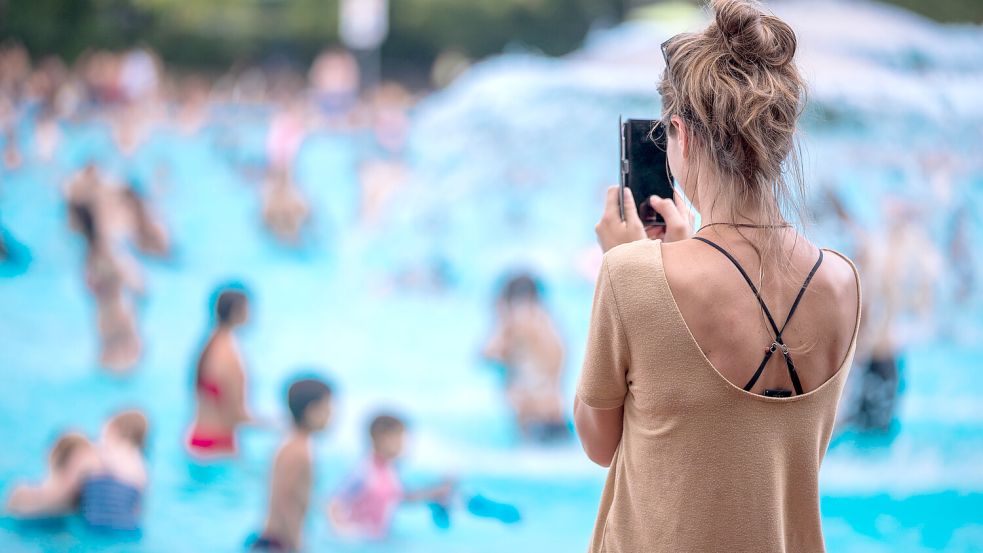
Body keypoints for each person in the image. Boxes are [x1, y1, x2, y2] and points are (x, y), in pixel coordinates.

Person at [574, 1, 862, 552]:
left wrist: (635, 263)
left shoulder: (630, 273)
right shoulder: (842, 282)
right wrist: (674, 256)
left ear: (678, 134)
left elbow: (597, 440)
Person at [328, 414, 518, 541]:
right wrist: (344, 532)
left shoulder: (389, 471)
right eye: (399, 440)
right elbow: (334, 502)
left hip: (378, 539)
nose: (403, 446)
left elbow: (401, 498)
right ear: (380, 439)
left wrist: (438, 490)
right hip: (360, 541)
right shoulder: (363, 470)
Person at [6, 410, 149, 533]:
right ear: (56, 464)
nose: (85, 483)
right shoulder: (22, 494)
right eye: (83, 474)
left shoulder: (75, 508)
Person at [482, 274, 568, 442]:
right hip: (556, 419)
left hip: (533, 420)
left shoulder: (517, 319)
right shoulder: (550, 326)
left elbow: (487, 353)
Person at [252, 377, 334, 551]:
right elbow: (285, 501)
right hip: (278, 542)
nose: (331, 417)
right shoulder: (299, 451)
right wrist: (297, 546)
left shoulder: (293, 443)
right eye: (328, 409)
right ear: (312, 412)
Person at [74, 203, 143, 371]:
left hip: (108, 312)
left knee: (110, 363)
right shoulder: (99, 250)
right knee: (124, 366)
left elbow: (91, 284)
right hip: (115, 310)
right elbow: (133, 280)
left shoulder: (95, 252)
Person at [187, 287, 253, 457]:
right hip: (218, 445)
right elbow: (236, 415)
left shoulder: (209, 345)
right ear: (237, 313)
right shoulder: (230, 356)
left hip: (196, 439)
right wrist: (279, 425)